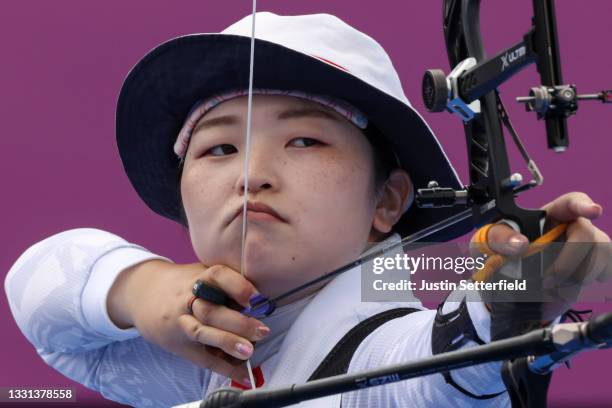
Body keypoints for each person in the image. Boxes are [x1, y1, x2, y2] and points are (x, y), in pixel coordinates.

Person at [4, 12, 610, 408]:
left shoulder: (383, 349)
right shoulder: (203, 358)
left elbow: (443, 365)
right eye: (218, 148)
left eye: (303, 141)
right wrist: (143, 289)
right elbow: (40, 288)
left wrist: (530, 286)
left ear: (388, 200)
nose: (251, 175)